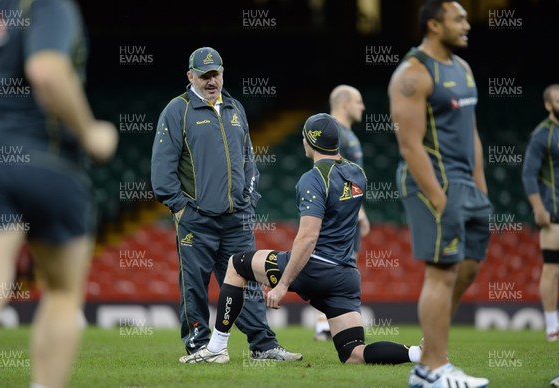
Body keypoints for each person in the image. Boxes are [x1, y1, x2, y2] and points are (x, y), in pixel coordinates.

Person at [179, 113, 422, 366]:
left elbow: (308, 237)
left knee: (237, 264)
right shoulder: (358, 173)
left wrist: (283, 285)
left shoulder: (312, 179)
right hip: (344, 276)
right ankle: (417, 353)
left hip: (313, 267)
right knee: (353, 354)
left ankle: (216, 347)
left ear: (310, 141)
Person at [0, 1, 118, 387]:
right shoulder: (49, 4)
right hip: (51, 163)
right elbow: (47, 70)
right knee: (63, 292)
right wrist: (90, 134)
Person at [151, 47, 301, 361]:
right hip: (197, 220)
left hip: (237, 220)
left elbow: (248, 159)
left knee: (247, 286)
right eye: (204, 75)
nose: (211, 81)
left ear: (223, 73)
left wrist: (248, 201)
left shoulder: (235, 108)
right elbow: (161, 173)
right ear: (190, 76)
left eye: (215, 73)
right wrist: (182, 209)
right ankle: (199, 347)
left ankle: (263, 345)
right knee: (194, 287)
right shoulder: (176, 111)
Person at [388, 1, 491, 386]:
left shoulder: (463, 69)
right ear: (434, 24)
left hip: (468, 186)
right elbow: (410, 146)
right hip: (431, 183)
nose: (467, 24)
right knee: (442, 271)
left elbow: (473, 133)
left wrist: (480, 189)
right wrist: (441, 198)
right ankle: (433, 368)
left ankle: (429, 362)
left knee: (468, 267)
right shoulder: (412, 74)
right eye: (458, 18)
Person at [314, 85, 370, 341]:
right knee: (340, 264)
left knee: (343, 263)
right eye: (359, 102)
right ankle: (327, 324)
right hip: (342, 213)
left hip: (348, 209)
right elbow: (328, 171)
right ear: (345, 103)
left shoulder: (343, 133)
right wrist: (356, 211)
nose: (363, 107)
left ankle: (326, 324)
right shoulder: (333, 132)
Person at [522, 84, 559, 342]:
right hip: (556, 215)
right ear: (548, 105)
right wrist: (538, 208)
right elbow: (528, 173)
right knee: (552, 269)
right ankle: (552, 327)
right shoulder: (543, 135)